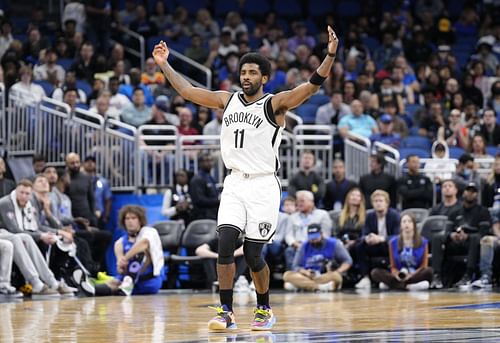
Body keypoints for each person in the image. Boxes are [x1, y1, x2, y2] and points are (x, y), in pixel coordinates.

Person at [153, 24, 339, 331]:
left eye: (253, 72)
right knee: (224, 243)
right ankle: (226, 311)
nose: (246, 77)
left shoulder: (275, 103)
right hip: (235, 182)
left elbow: (311, 87)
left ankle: (264, 308)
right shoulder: (227, 100)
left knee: (253, 254)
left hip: (264, 184)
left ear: (264, 78)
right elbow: (187, 91)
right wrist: (164, 65)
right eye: (243, 72)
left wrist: (330, 54)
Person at [0, 179, 74, 295]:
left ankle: (52, 281)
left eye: (27, 193)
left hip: (14, 234)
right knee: (18, 238)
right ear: (16, 191)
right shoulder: (6, 203)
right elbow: (13, 229)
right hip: (4, 232)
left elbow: (36, 226)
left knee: (28, 238)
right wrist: (41, 235)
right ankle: (35, 282)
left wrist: (56, 232)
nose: (24, 196)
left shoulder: (30, 204)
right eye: (21, 193)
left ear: (31, 194)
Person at [75, 205, 164, 296]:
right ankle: (88, 288)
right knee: (114, 283)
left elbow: (144, 243)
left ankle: (128, 282)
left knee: (140, 253)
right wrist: (121, 266)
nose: (130, 221)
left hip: (148, 280)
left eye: (133, 218)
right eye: (127, 219)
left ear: (140, 220)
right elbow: (120, 268)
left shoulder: (149, 231)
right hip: (126, 281)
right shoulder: (119, 243)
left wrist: (126, 258)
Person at [431, 182, 491, 289]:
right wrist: (452, 235)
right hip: (456, 242)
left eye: (473, 192)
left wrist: (467, 236)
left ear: (477, 194)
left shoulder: (483, 211)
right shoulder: (454, 211)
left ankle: (468, 275)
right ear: (463, 192)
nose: (470, 194)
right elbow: (447, 231)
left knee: (475, 238)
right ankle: (437, 276)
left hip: (472, 244)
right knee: (437, 237)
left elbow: (483, 233)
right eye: (468, 191)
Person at [371, 214, 432, 290]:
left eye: (409, 221)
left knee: (429, 271)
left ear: (414, 225)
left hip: (414, 275)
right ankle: (407, 286)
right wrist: (397, 275)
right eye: (404, 222)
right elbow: (393, 266)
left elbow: (424, 266)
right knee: (375, 272)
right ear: (400, 225)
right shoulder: (392, 242)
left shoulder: (423, 242)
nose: (406, 224)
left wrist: (411, 275)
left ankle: (396, 286)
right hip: (399, 275)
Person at [283, 223, 352, 291]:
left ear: (321, 234)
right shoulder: (303, 246)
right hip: (307, 275)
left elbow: (348, 261)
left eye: (316, 237)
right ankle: (320, 287)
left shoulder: (334, 243)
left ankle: (302, 286)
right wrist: (305, 272)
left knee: (336, 277)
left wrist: (338, 271)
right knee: (287, 275)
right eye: (311, 238)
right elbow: (295, 266)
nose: (313, 240)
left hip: (325, 276)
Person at [355, 190, 400, 289]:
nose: (378, 203)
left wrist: (381, 238)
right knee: (360, 245)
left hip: (388, 244)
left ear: (387, 203)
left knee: (394, 244)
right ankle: (365, 277)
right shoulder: (370, 215)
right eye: (375, 201)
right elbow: (364, 234)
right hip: (374, 244)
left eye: (381, 201)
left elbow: (398, 236)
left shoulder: (394, 215)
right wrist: (368, 238)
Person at [284, 190, 332, 271]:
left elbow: (326, 234)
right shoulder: (293, 217)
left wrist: (310, 244)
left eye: (302, 201)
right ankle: (294, 276)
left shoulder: (322, 214)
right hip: (297, 246)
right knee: (289, 251)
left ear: (311, 202)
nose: (299, 203)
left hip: (316, 244)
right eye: (298, 201)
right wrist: (295, 244)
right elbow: (288, 235)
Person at [65, 153, 97, 227]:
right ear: (66, 164)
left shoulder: (86, 177)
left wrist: (93, 216)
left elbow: (91, 199)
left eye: (77, 162)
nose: (75, 165)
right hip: (70, 218)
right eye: (72, 163)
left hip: (86, 216)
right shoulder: (64, 179)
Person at [189, 154, 219, 221]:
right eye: (207, 161)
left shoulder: (210, 178)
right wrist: (218, 200)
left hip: (213, 215)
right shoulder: (197, 179)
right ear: (200, 163)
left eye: (211, 160)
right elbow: (199, 200)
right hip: (202, 216)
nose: (209, 163)